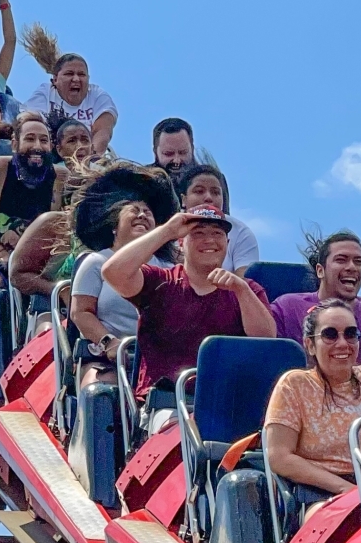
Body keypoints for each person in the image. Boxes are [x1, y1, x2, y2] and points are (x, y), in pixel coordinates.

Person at [101, 206, 276, 423]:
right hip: (168, 405)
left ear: (227, 244)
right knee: (186, 439)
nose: (209, 240)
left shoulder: (247, 289)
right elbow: (112, 272)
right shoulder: (160, 281)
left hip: (229, 409)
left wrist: (242, 291)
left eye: (217, 234)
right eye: (198, 233)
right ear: (182, 243)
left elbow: (267, 340)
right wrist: (167, 230)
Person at [265, 301, 361, 516]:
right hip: (319, 494)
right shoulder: (294, 384)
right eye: (330, 335)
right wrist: (347, 490)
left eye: (350, 334)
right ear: (310, 345)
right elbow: (279, 456)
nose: (342, 343)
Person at [68, 164, 179, 351]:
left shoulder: (169, 268)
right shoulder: (95, 262)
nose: (142, 215)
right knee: (98, 382)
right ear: (114, 226)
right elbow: (80, 313)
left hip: (157, 357)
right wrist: (108, 343)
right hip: (107, 356)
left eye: (148, 213)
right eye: (134, 210)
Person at [0, 113, 68, 289]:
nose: (37, 146)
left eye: (43, 140)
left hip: (38, 266)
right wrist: (1, 253)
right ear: (15, 144)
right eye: (30, 139)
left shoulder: (62, 178)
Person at [269, 230, 361, 364]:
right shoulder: (287, 307)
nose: (352, 267)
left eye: (358, 262)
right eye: (341, 260)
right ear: (320, 270)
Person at [21, 24, 117, 154]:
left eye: (81, 74)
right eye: (69, 74)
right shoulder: (45, 92)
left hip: (90, 155)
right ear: (55, 80)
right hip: (52, 153)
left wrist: (90, 162)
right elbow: (30, 122)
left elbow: (103, 132)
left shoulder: (98, 96)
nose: (76, 79)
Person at [174, 165, 259, 272]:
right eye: (199, 191)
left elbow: (245, 281)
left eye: (216, 192)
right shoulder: (168, 229)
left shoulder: (240, 231)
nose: (208, 197)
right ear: (184, 199)